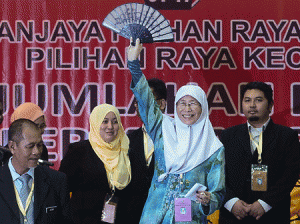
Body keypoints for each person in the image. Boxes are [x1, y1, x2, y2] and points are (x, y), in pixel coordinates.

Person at [127, 38, 225, 224]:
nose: (186, 109)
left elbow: (218, 193)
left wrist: (208, 199)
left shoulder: (214, 148)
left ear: (203, 108)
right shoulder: (163, 129)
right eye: (182, 103)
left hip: (190, 220)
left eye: (192, 104)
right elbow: (146, 99)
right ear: (175, 105)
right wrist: (134, 64)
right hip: (153, 217)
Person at [219, 81, 300, 224]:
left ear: (270, 105)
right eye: (247, 100)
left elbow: (290, 175)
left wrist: (265, 203)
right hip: (233, 216)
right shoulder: (227, 136)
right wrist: (231, 202)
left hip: (273, 216)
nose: (252, 105)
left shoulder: (287, 136)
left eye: (258, 100)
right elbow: (217, 174)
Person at [59, 104, 134, 224]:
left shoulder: (126, 151)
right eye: (104, 121)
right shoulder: (79, 150)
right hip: (83, 220)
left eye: (115, 122)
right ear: (95, 123)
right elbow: (61, 187)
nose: (110, 126)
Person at [0, 119, 71, 224]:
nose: (36, 152)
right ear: (12, 147)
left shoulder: (57, 181)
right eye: (30, 146)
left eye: (39, 145)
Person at [127, 78, 167, 223]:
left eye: (148, 99)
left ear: (162, 104)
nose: (142, 105)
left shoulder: (176, 137)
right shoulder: (127, 141)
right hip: (134, 217)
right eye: (138, 101)